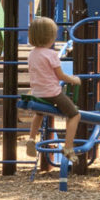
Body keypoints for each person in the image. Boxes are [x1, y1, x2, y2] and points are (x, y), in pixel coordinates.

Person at [26, 16, 82, 157]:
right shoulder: (51, 54)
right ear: (50, 37)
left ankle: (31, 139)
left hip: (37, 93)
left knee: (39, 113)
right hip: (52, 93)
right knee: (74, 115)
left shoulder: (32, 54)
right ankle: (68, 147)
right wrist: (74, 80)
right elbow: (61, 76)